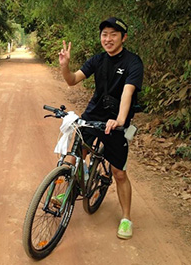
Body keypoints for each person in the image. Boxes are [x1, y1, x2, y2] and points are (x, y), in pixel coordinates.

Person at [58, 17, 144, 239]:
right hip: (94, 115)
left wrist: (120, 120)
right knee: (74, 156)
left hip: (116, 121)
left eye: (113, 34)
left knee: (119, 173)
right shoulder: (97, 60)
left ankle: (126, 218)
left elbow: (127, 92)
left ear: (123, 37)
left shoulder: (133, 62)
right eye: (105, 34)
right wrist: (65, 67)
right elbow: (72, 80)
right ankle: (69, 188)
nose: (108, 39)